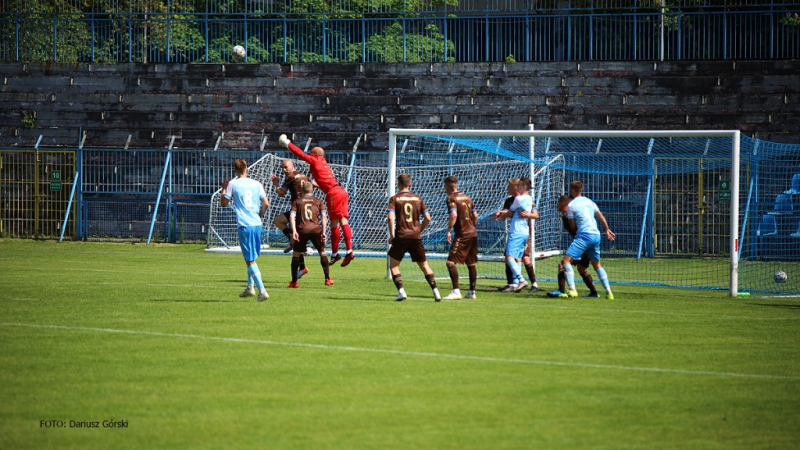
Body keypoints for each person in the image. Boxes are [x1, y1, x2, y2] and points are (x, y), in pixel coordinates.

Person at [278, 134, 355, 267]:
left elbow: (300, 154)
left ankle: (338, 253)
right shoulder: (323, 162)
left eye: (311, 153)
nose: (310, 155)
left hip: (333, 193)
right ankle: (347, 251)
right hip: (341, 191)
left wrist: (287, 143)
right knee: (343, 221)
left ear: (315, 155)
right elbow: (319, 181)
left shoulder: (315, 160)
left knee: (334, 224)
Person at [220, 158, 270, 302]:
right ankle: (250, 287)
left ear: (235, 170)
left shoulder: (232, 184)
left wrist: (223, 188)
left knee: (250, 261)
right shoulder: (257, 184)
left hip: (245, 225)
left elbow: (224, 203)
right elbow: (266, 203)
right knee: (251, 257)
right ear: (247, 168)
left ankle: (262, 291)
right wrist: (260, 215)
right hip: (256, 224)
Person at [386, 173, 441, 302]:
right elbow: (428, 218)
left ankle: (402, 292)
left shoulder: (395, 199)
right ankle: (436, 292)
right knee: (424, 265)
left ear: (398, 184)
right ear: (410, 184)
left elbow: (390, 217)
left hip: (401, 235)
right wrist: (419, 230)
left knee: (394, 265)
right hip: (415, 236)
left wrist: (392, 235)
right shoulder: (418, 198)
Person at [559, 181, 616, 299]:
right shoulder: (590, 202)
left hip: (584, 235)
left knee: (565, 261)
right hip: (596, 235)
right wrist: (607, 230)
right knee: (597, 265)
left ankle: (572, 290)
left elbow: (573, 226)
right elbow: (601, 217)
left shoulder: (571, 205)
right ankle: (609, 292)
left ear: (573, 191)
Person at [547, 195, 599, 298]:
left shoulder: (570, 217)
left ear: (563, 204)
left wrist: (583, 247)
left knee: (562, 264)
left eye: (558, 203)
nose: (557, 205)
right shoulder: (566, 216)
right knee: (581, 268)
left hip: (582, 244)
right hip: (585, 243)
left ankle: (563, 290)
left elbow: (577, 230)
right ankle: (594, 292)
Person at [493, 177, 538, 292]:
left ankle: (522, 280)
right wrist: (503, 213)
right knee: (518, 258)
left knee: (509, 257)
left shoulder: (518, 199)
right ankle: (515, 284)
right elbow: (509, 214)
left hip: (517, 231)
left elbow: (511, 212)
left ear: (521, 187)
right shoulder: (529, 198)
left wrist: (501, 212)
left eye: (509, 186)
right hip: (524, 232)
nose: (508, 188)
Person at [288, 181, 334, 288]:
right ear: (312, 190)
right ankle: (327, 279)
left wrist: (294, 231)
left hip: (301, 230)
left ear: (302, 191)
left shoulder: (297, 201)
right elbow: (324, 217)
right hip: (315, 229)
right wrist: (323, 232)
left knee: (296, 254)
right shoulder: (318, 201)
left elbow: (291, 216)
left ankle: (294, 282)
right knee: (322, 252)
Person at [271, 159, 311, 280]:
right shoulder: (303, 176)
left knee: (296, 241)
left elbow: (280, 193)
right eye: (283, 168)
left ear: (292, 166)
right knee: (278, 220)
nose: (284, 170)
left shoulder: (291, 177)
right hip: (303, 210)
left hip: (298, 211)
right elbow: (311, 185)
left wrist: (276, 183)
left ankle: (303, 265)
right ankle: (294, 244)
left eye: (286, 167)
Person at [443, 176, 479, 300]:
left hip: (462, 234)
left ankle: (456, 291)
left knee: (450, 262)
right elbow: (475, 215)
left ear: (447, 186)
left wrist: (448, 230)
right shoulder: (467, 198)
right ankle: (472, 292)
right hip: (472, 233)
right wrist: (471, 227)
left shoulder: (451, 198)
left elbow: (453, 216)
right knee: (471, 263)